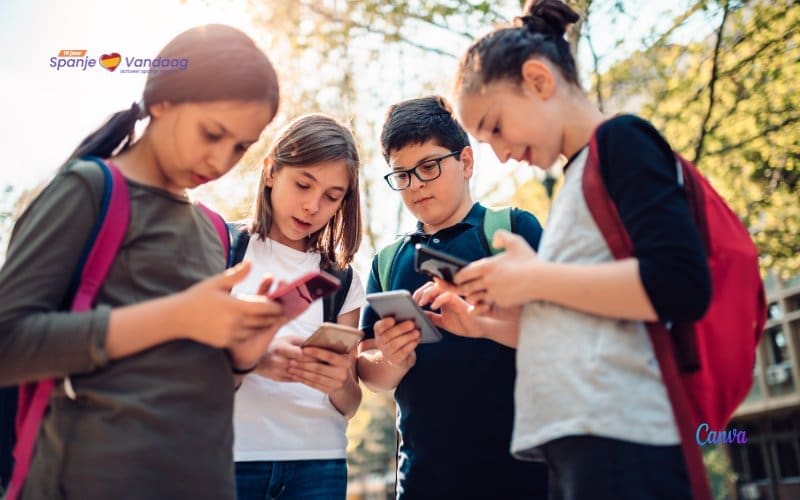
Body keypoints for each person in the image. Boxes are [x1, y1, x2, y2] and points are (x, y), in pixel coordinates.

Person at [0, 24, 282, 500]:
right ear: (163, 100)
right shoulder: (90, 190)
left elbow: (179, 375)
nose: (220, 161)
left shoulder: (214, 229)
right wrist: (176, 316)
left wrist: (243, 357)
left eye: (241, 147)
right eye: (212, 133)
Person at [443, 1, 712, 498]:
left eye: (496, 127)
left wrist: (536, 279)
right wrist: (488, 317)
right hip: (582, 444)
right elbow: (593, 309)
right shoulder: (575, 179)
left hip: (624, 440)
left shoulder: (621, 140)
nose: (499, 153)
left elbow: (681, 282)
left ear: (538, 80)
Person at [357, 95, 548, 499]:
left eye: (428, 166)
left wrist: (483, 323)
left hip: (525, 476)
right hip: (424, 481)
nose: (417, 185)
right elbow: (370, 371)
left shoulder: (511, 231)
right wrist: (392, 358)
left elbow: (562, 335)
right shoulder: (389, 261)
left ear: (465, 162)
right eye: (403, 174)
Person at [232, 113, 365, 500]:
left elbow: (351, 403)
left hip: (319, 465)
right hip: (232, 456)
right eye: (303, 184)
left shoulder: (342, 280)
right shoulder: (224, 251)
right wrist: (252, 358)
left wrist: (339, 380)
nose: (311, 206)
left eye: (331, 196)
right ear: (271, 171)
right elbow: (188, 368)